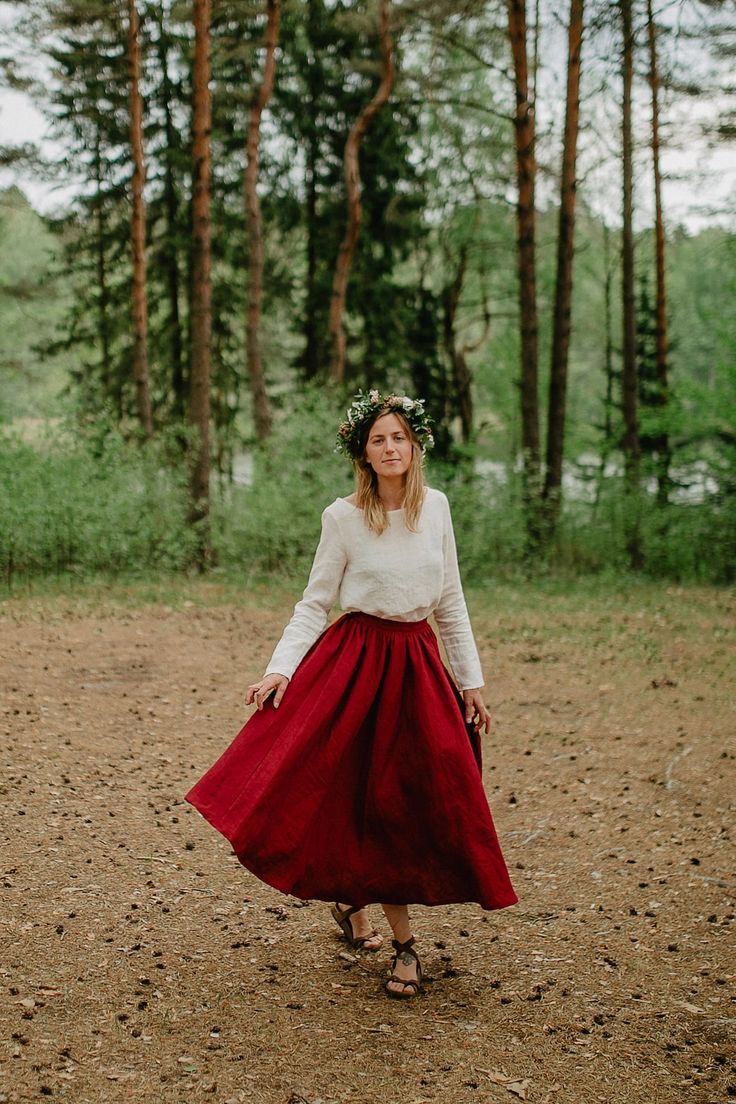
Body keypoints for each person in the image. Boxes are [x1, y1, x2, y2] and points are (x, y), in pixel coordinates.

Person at [185, 390, 518, 1000]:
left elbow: (451, 602)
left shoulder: (436, 508)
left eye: (399, 438)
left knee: (410, 794)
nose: (390, 449)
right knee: (350, 791)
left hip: (417, 666)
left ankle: (353, 901)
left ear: (415, 446)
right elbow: (314, 604)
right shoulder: (342, 518)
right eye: (378, 440)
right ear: (362, 454)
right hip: (356, 666)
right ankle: (405, 946)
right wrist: (279, 670)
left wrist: (470, 682)